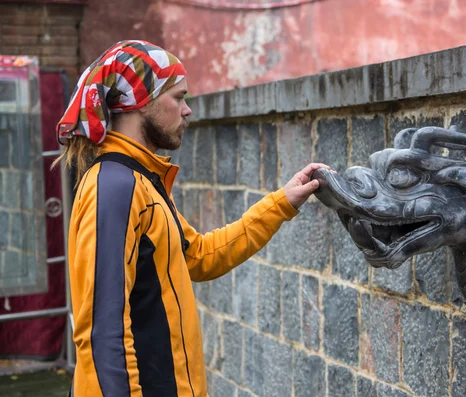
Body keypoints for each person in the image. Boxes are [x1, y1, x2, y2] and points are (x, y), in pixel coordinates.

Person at [55, 40, 328, 397]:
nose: (188, 110)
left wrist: (281, 202)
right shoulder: (115, 186)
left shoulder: (141, 182)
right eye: (178, 97)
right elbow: (102, 332)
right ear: (141, 102)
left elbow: (198, 255)